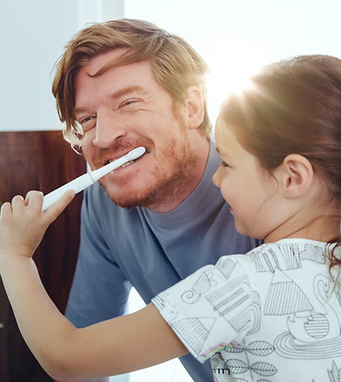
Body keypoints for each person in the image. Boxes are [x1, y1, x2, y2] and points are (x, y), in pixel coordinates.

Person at [0, 53, 341, 381]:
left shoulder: (239, 285)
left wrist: (15, 256)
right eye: (86, 119)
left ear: (292, 178)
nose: (217, 178)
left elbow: (66, 357)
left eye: (227, 163)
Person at [51, 19, 257, 382]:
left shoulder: (269, 189)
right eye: (87, 119)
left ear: (191, 107)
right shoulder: (104, 204)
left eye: (128, 102)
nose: (102, 137)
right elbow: (85, 355)